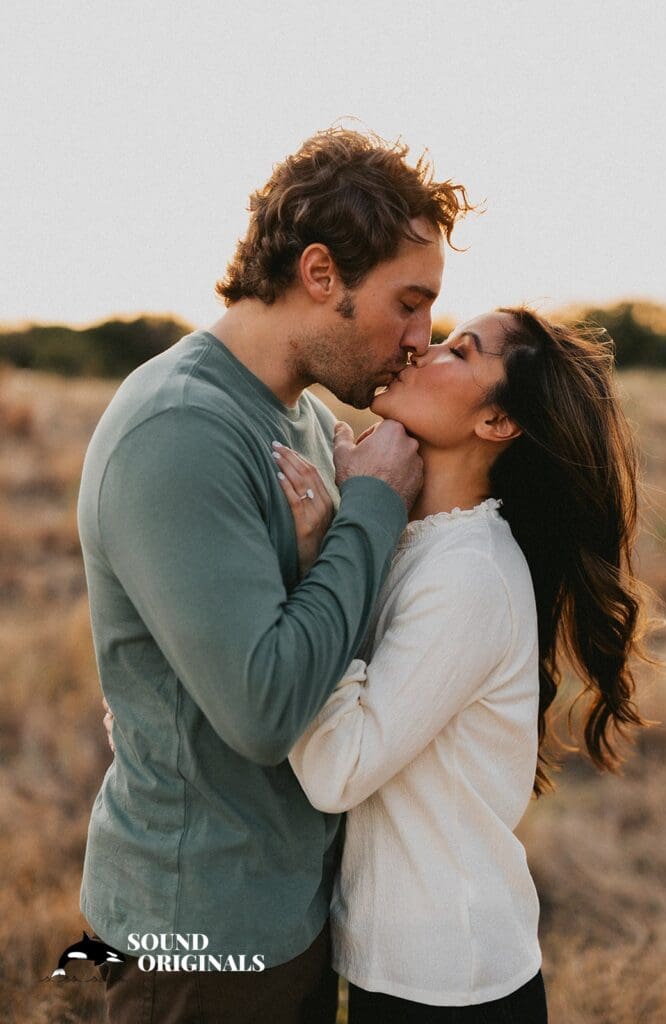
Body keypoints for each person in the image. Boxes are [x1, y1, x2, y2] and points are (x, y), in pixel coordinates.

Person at [77, 126, 472, 1023]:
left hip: (285, 905)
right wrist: (369, 510)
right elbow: (261, 711)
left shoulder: (293, 418)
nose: (420, 340)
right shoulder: (180, 429)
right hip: (201, 936)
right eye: (408, 304)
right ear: (321, 274)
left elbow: (324, 638)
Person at [272, 307, 653, 1023]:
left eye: (458, 350)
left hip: (451, 983)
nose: (420, 350)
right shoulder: (417, 542)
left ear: (498, 423)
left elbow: (336, 771)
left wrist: (325, 562)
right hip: (398, 965)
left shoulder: (469, 573)